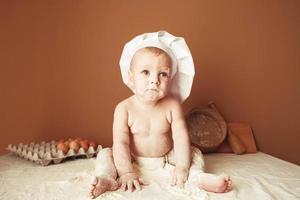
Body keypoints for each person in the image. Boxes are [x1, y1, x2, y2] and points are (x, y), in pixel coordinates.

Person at [89, 31, 232, 199]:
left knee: (194, 153)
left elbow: (180, 138)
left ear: (170, 79)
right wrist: (127, 172)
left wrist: (181, 167)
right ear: (130, 77)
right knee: (106, 154)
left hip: (166, 159)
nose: (154, 80)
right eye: (145, 72)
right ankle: (107, 179)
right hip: (132, 159)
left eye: (162, 74)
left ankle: (195, 177)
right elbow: (121, 142)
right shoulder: (124, 108)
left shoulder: (172, 106)